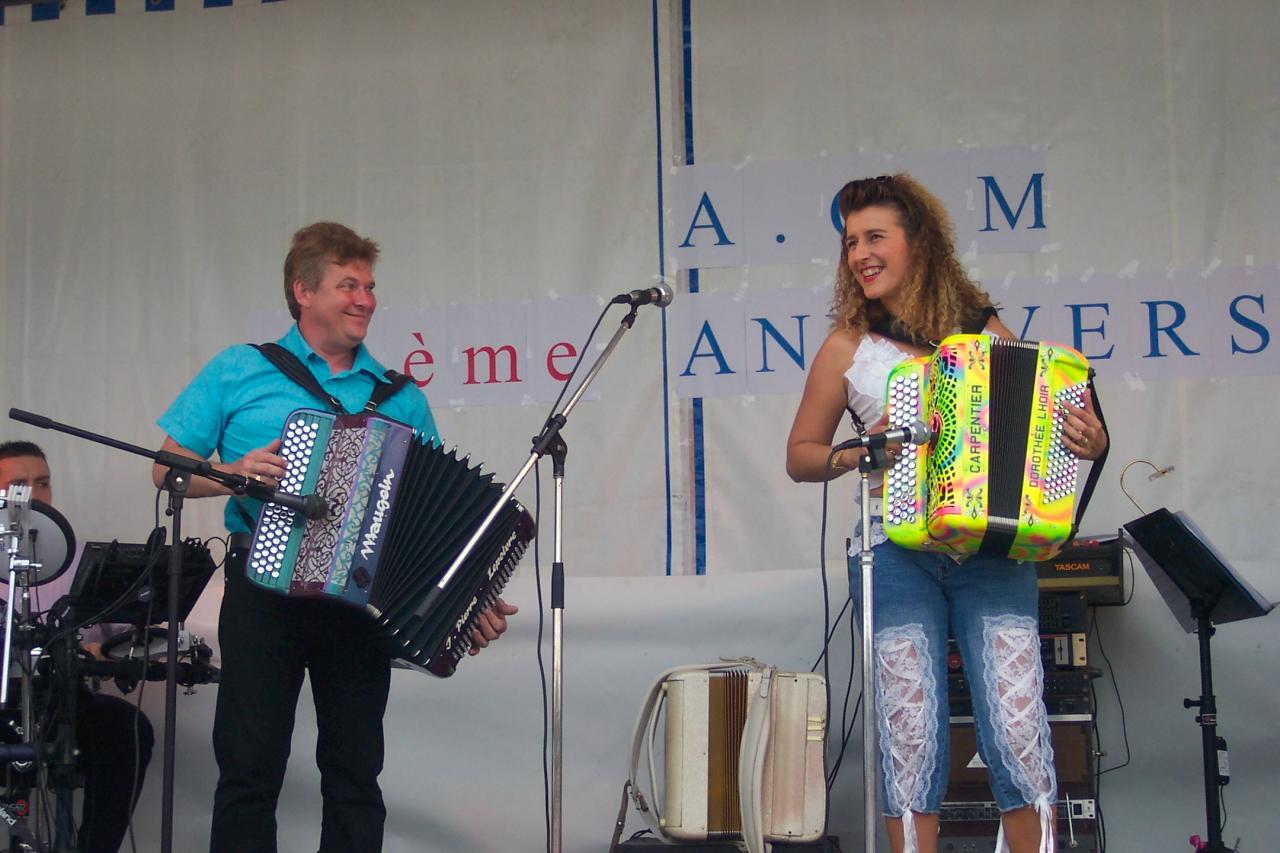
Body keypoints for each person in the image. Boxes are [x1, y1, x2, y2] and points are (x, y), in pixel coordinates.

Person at [152, 222, 518, 853]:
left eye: (370, 286)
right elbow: (167, 470)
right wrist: (231, 474)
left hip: (357, 605)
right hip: (262, 594)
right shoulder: (241, 369)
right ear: (303, 291)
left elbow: (431, 516)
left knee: (354, 774)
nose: (365, 298)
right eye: (348, 284)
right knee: (248, 768)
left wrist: (468, 603)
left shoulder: (397, 395)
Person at [785, 175, 1107, 853]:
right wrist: (858, 455)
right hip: (893, 546)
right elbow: (801, 454)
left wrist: (1089, 439)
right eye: (850, 242)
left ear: (918, 243)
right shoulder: (848, 345)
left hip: (989, 547)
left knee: (1017, 721)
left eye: (875, 237)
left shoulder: (982, 328)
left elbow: (1042, 425)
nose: (860, 254)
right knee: (910, 720)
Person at [0, 440, 156, 853]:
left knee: (126, 728)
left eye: (43, 483)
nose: (35, 494)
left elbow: (121, 636)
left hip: (63, 703)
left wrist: (114, 649)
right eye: (20, 485)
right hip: (4, 704)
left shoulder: (77, 555)